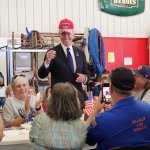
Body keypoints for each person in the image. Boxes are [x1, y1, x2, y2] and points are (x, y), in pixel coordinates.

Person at [86, 67, 150, 150]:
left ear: (111, 88)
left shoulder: (102, 120)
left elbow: (85, 139)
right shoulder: (147, 109)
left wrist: (94, 111)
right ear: (134, 86)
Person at [38, 18, 90, 101]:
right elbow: (41, 75)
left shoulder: (80, 53)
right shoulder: (52, 52)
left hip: (77, 98)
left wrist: (84, 78)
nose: (66, 36)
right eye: (63, 34)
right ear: (59, 35)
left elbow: (87, 74)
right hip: (59, 99)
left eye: (68, 33)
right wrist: (47, 61)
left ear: (73, 34)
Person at [29, 82, 88, 149]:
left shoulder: (39, 121)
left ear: (51, 100)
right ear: (75, 102)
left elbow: (31, 139)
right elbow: (81, 145)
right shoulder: (82, 126)